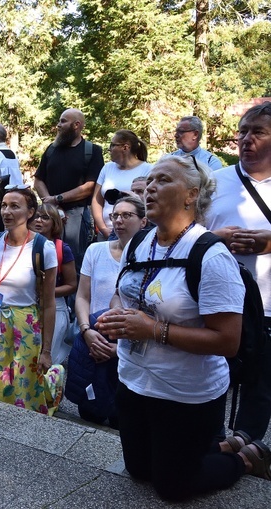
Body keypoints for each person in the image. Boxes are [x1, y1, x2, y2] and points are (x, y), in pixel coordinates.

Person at [97, 155, 270, 501]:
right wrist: (116, 316)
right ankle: (217, 446)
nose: (149, 187)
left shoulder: (211, 254)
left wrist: (153, 329)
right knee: (139, 470)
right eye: (150, 180)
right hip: (133, 381)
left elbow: (227, 341)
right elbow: (122, 294)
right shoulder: (138, 242)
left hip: (184, 393)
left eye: (163, 180)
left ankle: (244, 459)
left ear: (191, 195)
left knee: (174, 487)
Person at [205, 101, 271, 443]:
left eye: (258, 132)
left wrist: (268, 242)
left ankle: (246, 448)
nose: (247, 139)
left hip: (268, 306)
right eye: (243, 131)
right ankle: (210, 441)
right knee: (214, 375)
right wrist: (218, 237)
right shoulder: (214, 182)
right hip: (218, 302)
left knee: (261, 384)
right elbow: (184, 230)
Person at [0, 186, 63, 415]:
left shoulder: (42, 248)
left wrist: (46, 350)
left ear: (30, 212)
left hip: (24, 324)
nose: (6, 211)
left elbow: (49, 303)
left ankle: (51, 384)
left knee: (21, 388)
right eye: (4, 205)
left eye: (15, 206)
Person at [68, 195, 147, 428]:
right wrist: (85, 331)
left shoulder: (150, 258)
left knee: (121, 419)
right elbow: (83, 296)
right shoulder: (96, 250)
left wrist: (119, 350)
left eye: (127, 215)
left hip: (130, 347)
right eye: (115, 215)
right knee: (89, 411)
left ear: (144, 221)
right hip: (95, 339)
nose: (118, 220)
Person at [34, 108, 104, 268]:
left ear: (76, 125)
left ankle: (73, 293)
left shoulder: (92, 151)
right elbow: (38, 180)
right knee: (46, 258)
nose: (58, 125)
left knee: (73, 261)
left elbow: (90, 187)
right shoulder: (51, 149)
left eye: (63, 121)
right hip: (50, 215)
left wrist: (57, 199)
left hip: (77, 216)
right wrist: (51, 204)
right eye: (59, 121)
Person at [30, 203, 77, 364]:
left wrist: (48, 292)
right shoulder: (22, 245)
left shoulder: (61, 249)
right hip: (26, 306)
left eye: (45, 217)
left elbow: (72, 285)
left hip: (55, 307)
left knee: (47, 358)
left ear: (55, 223)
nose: (39, 221)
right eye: (36, 216)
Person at [91, 130, 152, 240]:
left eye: (113, 145)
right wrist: (103, 228)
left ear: (125, 147)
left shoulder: (148, 170)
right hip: (106, 231)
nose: (109, 149)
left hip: (133, 233)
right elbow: (97, 200)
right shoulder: (107, 168)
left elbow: (150, 202)